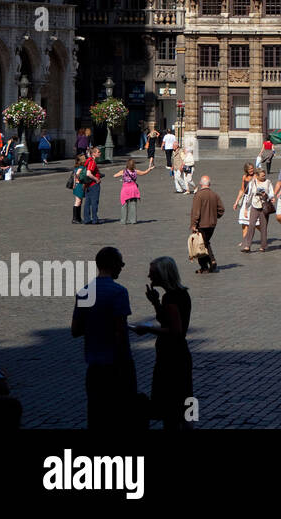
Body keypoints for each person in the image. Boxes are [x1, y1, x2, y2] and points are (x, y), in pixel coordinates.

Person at [71, 247, 137, 431]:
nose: (122, 268)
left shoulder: (85, 292)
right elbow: (120, 332)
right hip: (117, 365)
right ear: (114, 265)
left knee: (96, 416)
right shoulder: (119, 292)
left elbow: (75, 330)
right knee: (121, 417)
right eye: (121, 264)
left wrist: (94, 324)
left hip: (94, 367)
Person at [134, 256, 192, 430]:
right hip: (179, 354)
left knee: (171, 406)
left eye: (152, 273)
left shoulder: (171, 298)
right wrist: (155, 303)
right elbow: (167, 320)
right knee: (182, 401)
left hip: (171, 357)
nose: (149, 277)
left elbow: (175, 330)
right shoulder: (181, 293)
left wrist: (148, 329)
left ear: (163, 275)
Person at [189, 175, 222, 273]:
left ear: (200, 183)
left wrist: (194, 224)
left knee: (201, 244)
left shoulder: (198, 195)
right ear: (209, 184)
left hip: (202, 224)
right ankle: (207, 265)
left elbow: (196, 212)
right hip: (212, 224)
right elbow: (221, 209)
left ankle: (211, 261)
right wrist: (215, 216)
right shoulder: (214, 195)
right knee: (204, 242)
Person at [112, 158, 154, 225]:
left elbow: (114, 176)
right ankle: (133, 220)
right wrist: (149, 169)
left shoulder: (123, 171)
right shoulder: (135, 171)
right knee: (133, 204)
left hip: (125, 189)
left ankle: (123, 220)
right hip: (133, 189)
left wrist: (122, 177)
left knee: (124, 205)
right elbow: (144, 173)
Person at [241, 167, 273, 253]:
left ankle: (263, 246)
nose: (264, 177)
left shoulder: (268, 182)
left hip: (264, 207)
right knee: (251, 225)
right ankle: (247, 246)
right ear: (257, 175)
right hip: (255, 205)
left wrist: (267, 195)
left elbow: (272, 194)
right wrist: (246, 208)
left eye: (264, 175)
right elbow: (250, 195)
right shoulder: (253, 182)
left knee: (263, 226)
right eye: (262, 176)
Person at [230, 162, 255, 249]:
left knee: (255, 223)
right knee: (244, 223)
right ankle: (245, 241)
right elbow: (242, 190)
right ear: (246, 170)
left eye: (252, 168)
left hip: (253, 200)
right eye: (250, 169)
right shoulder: (244, 177)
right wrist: (236, 202)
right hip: (245, 200)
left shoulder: (256, 177)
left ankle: (263, 235)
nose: (251, 170)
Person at [82, 147, 103, 224]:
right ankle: (94, 219)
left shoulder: (87, 160)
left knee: (87, 202)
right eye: (98, 152)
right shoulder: (92, 162)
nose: (100, 153)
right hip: (93, 184)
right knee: (94, 202)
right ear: (93, 153)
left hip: (87, 184)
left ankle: (86, 219)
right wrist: (96, 179)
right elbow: (88, 173)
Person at [69, 154, 90, 224]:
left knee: (79, 201)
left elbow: (75, 176)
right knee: (78, 201)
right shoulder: (81, 167)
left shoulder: (77, 167)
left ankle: (78, 218)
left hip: (77, 185)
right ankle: (75, 218)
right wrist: (80, 180)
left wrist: (74, 184)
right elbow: (77, 175)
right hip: (79, 185)